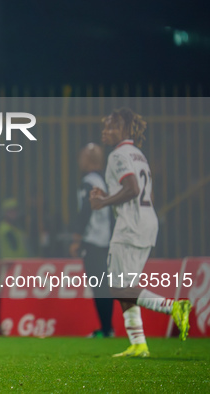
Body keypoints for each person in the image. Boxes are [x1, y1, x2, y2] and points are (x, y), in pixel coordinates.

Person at [90, 108, 191, 357]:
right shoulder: (138, 155)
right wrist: (108, 197)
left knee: (115, 288)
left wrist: (103, 202)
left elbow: (133, 188)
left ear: (124, 128)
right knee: (127, 286)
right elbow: (145, 193)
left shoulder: (118, 155)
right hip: (146, 223)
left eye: (110, 125)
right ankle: (138, 343)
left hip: (130, 227)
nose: (105, 130)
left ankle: (173, 306)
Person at [70, 144, 114, 338]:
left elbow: (86, 210)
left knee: (99, 285)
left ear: (89, 160)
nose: (79, 161)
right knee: (104, 284)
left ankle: (105, 329)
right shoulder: (105, 181)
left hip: (93, 240)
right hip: (107, 239)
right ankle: (107, 328)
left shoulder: (88, 182)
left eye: (82, 157)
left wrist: (77, 238)